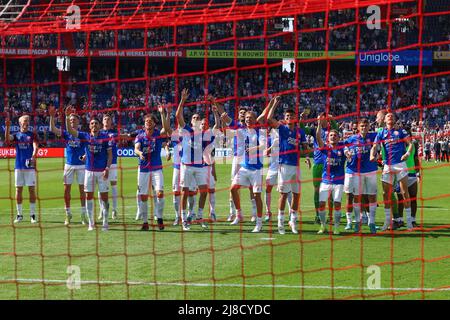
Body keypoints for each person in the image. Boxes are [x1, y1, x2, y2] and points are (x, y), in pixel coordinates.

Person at [262, 98, 309, 234]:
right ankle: (280, 223)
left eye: (291, 116)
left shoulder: (300, 132)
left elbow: (304, 146)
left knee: (296, 194)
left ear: (295, 118)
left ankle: (292, 221)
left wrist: (306, 157)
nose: (289, 118)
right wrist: (275, 103)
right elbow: (269, 118)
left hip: (296, 166)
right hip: (284, 166)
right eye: (287, 116)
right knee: (283, 194)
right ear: (285, 118)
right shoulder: (282, 129)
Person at [64, 106, 113, 231]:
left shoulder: (105, 137)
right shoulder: (85, 136)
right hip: (89, 172)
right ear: (89, 126)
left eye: (96, 123)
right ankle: (91, 223)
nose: (94, 125)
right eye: (92, 123)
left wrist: (107, 168)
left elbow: (110, 155)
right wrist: (67, 117)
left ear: (99, 126)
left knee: (104, 198)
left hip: (102, 172)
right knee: (89, 197)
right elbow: (70, 131)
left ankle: (105, 222)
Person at [176, 89, 215, 231]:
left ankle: (199, 216)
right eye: (194, 117)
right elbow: (177, 115)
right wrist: (182, 100)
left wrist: (213, 106)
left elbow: (217, 127)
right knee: (185, 192)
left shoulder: (205, 134)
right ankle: (184, 219)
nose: (196, 119)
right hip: (186, 166)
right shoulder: (187, 130)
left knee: (204, 191)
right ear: (191, 121)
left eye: (198, 117)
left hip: (199, 167)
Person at [370, 112, 414, 231]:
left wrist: (407, 153)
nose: (390, 117)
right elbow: (374, 146)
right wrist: (372, 154)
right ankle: (387, 222)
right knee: (386, 194)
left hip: (400, 164)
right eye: (388, 116)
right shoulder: (381, 133)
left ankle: (409, 222)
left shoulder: (401, 131)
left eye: (392, 116)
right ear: (384, 120)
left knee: (405, 193)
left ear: (395, 119)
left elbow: (410, 144)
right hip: (388, 166)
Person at [48, 106, 87, 225]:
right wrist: (51, 116)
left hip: (81, 165)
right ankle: (68, 213)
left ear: (78, 122)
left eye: (74, 120)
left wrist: (85, 155)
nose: (72, 122)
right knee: (66, 190)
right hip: (69, 165)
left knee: (82, 191)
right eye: (70, 120)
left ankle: (83, 214)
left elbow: (88, 148)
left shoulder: (83, 134)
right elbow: (52, 129)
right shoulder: (66, 134)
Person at [134, 105, 171, 231]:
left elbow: (166, 129)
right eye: (146, 121)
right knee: (143, 196)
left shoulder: (157, 134)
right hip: (143, 169)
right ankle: (145, 222)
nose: (147, 123)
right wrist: (139, 153)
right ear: (144, 124)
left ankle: (159, 218)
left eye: (150, 121)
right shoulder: (140, 135)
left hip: (156, 168)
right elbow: (136, 148)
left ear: (154, 124)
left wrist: (162, 113)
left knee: (159, 193)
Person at [299, 110, 336, 224]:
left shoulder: (332, 129)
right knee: (317, 191)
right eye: (317, 118)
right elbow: (301, 129)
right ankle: (317, 215)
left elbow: (334, 123)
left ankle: (330, 216)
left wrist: (328, 116)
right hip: (318, 163)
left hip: (330, 163)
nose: (319, 119)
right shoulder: (314, 130)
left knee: (330, 191)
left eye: (321, 117)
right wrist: (302, 119)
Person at [342, 118, 378, 234]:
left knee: (372, 197)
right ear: (358, 127)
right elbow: (343, 145)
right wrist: (346, 151)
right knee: (357, 197)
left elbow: (382, 137)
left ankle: (372, 222)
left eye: (366, 125)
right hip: (357, 172)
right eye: (361, 126)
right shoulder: (352, 138)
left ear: (369, 127)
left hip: (371, 170)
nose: (364, 128)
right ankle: (357, 221)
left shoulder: (373, 136)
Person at [315, 115, 347, 235]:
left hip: (338, 182)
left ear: (339, 138)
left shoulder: (343, 149)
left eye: (335, 135)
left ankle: (337, 227)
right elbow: (318, 138)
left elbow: (348, 152)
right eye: (331, 135)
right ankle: (323, 226)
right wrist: (319, 123)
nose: (333, 137)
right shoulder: (325, 148)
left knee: (337, 204)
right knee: (322, 203)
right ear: (328, 138)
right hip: (325, 181)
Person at [4, 115, 39, 224]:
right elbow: (7, 139)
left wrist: (33, 156)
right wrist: (8, 127)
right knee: (18, 190)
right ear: (20, 123)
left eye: (28, 120)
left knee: (31, 190)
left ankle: (32, 215)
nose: (27, 122)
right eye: (25, 121)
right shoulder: (17, 135)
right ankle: (19, 215)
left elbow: (35, 146)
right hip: (18, 167)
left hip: (30, 167)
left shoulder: (32, 135)